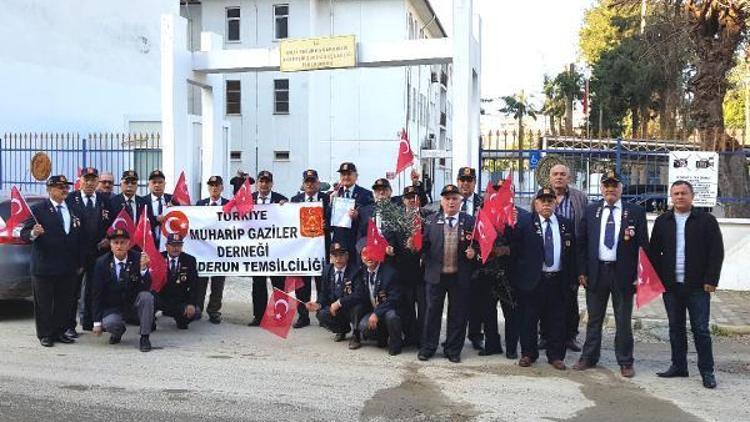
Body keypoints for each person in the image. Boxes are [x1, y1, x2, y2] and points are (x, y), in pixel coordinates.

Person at [649, 180, 724, 389]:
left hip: (698, 286)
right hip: (671, 286)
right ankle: (679, 366)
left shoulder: (706, 221)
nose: (679, 197)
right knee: (675, 328)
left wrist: (711, 279)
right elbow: (654, 252)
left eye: (683, 193)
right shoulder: (663, 221)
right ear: (671, 197)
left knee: (700, 329)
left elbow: (716, 252)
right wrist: (654, 281)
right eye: (676, 194)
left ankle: (707, 371)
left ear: (692, 196)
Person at [574, 170, 648, 378]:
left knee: (623, 320)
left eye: (614, 185)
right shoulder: (591, 211)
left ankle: (625, 361)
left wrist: (640, 274)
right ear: (601, 188)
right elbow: (581, 244)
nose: (610, 189)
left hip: (623, 274)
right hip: (596, 273)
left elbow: (643, 245)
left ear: (621, 189)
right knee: (594, 319)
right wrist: (581, 271)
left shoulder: (635, 212)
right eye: (606, 185)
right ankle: (589, 357)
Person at [512, 188, 576, 370]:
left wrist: (573, 278)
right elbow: (515, 252)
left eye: (550, 200)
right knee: (528, 319)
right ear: (536, 203)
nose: (547, 204)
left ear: (556, 203)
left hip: (557, 279)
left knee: (557, 319)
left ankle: (556, 356)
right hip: (532, 280)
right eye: (543, 201)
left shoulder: (566, 224)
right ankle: (528, 354)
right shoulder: (525, 224)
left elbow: (572, 253)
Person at [20, 175, 83, 347]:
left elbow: (76, 237)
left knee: (64, 302)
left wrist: (78, 262)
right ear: (49, 190)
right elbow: (24, 234)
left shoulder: (72, 209)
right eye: (59, 187)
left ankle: (59, 331)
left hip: (67, 266)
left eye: (66, 187)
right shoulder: (38, 210)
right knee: (44, 303)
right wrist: (34, 233)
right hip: (45, 266)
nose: (64, 190)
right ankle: (45, 334)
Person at [418, 184, 477, 363]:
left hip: (460, 276)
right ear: (441, 201)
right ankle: (428, 348)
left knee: (458, 314)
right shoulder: (430, 221)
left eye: (454, 198)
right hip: (436, 275)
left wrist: (474, 251)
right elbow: (423, 245)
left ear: (460, 201)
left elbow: (479, 243)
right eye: (447, 198)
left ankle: (452, 349)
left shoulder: (470, 221)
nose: (451, 202)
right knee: (432, 313)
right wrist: (417, 248)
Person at [542, 163, 588, 352]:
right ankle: (545, 336)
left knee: (570, 299)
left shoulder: (579, 197)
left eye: (563, 174)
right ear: (550, 177)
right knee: (544, 299)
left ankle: (570, 336)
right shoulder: (541, 195)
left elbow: (585, 226)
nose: (559, 177)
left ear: (569, 178)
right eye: (555, 174)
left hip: (571, 255)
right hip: (547, 255)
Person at [91, 228, 154, 352]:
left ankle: (145, 337)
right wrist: (97, 323)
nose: (119, 246)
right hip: (112, 305)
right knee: (110, 323)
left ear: (128, 244)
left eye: (122, 242)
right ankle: (117, 333)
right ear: (110, 245)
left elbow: (147, 287)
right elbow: (96, 293)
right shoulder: (101, 263)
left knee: (147, 297)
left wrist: (143, 270)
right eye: (116, 243)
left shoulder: (138, 258)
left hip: (133, 303)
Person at [65, 167, 111, 334]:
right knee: (73, 291)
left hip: (98, 253)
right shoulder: (70, 199)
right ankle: (69, 326)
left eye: (93, 179)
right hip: (77, 254)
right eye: (87, 179)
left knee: (94, 288)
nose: (90, 183)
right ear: (80, 180)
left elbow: (111, 222)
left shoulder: (104, 199)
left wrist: (109, 237)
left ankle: (89, 322)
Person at [290, 169, 330, 328]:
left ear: (318, 183)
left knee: (323, 284)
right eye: (307, 181)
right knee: (302, 286)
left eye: (313, 181)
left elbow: (335, 221)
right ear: (303, 184)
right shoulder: (295, 200)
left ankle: (323, 316)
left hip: (321, 248)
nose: (310, 184)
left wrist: (328, 225)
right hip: (302, 249)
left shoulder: (328, 199)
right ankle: (303, 316)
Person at [248, 170, 288, 326]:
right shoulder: (248, 199)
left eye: (267, 181)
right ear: (257, 183)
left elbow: (289, 219)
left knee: (279, 284)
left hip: (276, 250)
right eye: (261, 181)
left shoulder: (281, 199)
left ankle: (280, 316)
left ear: (272, 183)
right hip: (256, 249)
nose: (264, 184)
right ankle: (259, 316)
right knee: (258, 284)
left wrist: (287, 207)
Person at [308, 243, 364, 348]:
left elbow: (359, 294)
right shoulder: (327, 270)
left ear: (347, 256)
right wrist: (318, 304)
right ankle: (342, 330)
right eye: (335, 256)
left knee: (358, 307)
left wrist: (339, 303)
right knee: (321, 313)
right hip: (335, 307)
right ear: (330, 257)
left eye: (341, 255)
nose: (338, 259)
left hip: (350, 306)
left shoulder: (355, 270)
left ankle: (356, 335)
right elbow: (324, 293)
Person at [352, 240, 402, 355]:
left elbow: (395, 299)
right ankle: (382, 337)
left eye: (372, 253)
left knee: (391, 316)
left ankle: (396, 343)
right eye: (365, 254)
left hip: (391, 309)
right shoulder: (361, 273)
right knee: (363, 326)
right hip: (374, 310)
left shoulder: (390, 272)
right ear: (361, 257)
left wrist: (377, 313)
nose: (369, 257)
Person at [395, 185, 430, 347]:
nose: (412, 200)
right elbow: (391, 240)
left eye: (415, 197)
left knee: (424, 308)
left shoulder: (428, 217)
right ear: (403, 200)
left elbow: (433, 240)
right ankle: (410, 337)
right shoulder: (397, 219)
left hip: (423, 271)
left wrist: (423, 252)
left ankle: (423, 339)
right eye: (408, 197)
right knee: (407, 307)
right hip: (404, 271)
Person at [456, 167, 486, 351]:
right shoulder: (450, 200)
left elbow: (488, 231)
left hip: (475, 260)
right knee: (456, 303)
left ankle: (476, 335)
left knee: (476, 301)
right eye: (463, 179)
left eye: (469, 180)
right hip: (454, 259)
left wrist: (475, 250)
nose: (466, 183)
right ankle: (455, 336)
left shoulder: (483, 203)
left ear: (474, 182)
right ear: (458, 181)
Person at [195, 175, 230, 324]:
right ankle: (197, 309)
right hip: (204, 251)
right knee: (200, 283)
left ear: (222, 188)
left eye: (217, 185)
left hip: (221, 252)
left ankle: (214, 311)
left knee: (218, 283)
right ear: (208, 188)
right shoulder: (200, 204)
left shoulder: (229, 204)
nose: (214, 188)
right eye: (211, 185)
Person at [329, 162, 374, 262]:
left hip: (357, 241)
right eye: (343, 174)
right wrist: (330, 204)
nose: (346, 177)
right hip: (339, 243)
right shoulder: (334, 194)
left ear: (356, 176)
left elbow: (370, 218)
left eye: (349, 174)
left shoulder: (366, 194)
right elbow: (329, 221)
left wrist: (358, 216)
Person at [156, 233, 201, 329]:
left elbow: (194, 284)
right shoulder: (158, 258)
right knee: (149, 298)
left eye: (179, 245)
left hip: (179, 299)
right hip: (162, 298)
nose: (175, 248)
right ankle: (150, 322)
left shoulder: (189, 260)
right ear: (166, 246)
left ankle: (181, 320)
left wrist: (191, 304)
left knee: (196, 312)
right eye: (173, 245)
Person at [145, 169, 174, 248]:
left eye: (160, 182)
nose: (157, 185)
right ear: (149, 184)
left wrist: (173, 211)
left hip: (169, 245)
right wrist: (156, 219)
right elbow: (142, 222)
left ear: (165, 184)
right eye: (154, 182)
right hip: (150, 244)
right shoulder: (143, 201)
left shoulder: (173, 200)